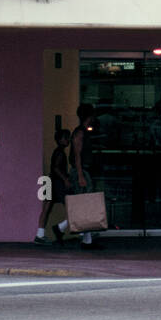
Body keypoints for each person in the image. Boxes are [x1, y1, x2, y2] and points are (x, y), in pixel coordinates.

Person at [56, 103, 103, 250]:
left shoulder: (83, 132)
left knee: (85, 205)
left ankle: (84, 239)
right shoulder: (80, 133)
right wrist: (81, 175)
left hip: (83, 171)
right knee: (84, 204)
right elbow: (77, 155)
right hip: (81, 171)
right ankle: (62, 228)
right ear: (89, 116)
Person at [33, 128, 71, 245]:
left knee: (46, 208)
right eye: (66, 138)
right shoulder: (60, 152)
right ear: (60, 140)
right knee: (71, 207)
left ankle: (40, 234)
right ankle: (62, 228)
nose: (68, 140)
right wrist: (65, 179)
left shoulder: (57, 151)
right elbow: (56, 167)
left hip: (50, 181)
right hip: (57, 183)